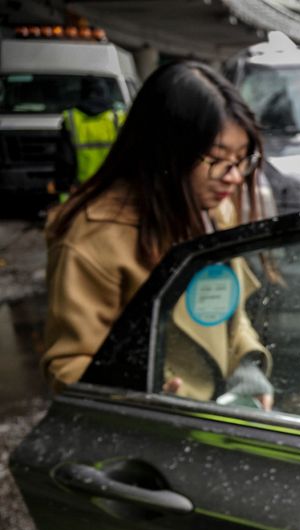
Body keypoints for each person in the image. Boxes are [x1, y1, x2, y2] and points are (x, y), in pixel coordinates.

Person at [43, 60, 273, 409]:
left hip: (213, 413)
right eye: (217, 159)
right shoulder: (94, 239)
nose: (235, 177)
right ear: (165, 152)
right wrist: (143, 398)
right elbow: (70, 365)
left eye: (243, 159)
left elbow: (228, 313)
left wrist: (246, 369)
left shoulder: (216, 210)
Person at [53, 76, 125, 202]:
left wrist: (63, 185)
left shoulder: (71, 118)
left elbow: (65, 159)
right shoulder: (117, 118)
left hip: (82, 189)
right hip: (112, 187)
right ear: (105, 92)